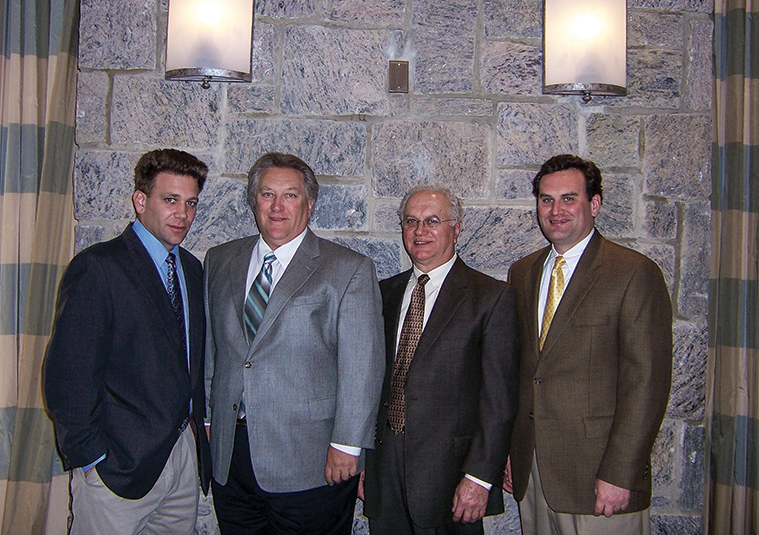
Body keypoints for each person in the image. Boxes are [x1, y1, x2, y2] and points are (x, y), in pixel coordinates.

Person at [204, 152, 385, 535]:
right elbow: (213, 350)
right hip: (231, 455)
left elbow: (362, 366)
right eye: (267, 194)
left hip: (311, 461)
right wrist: (208, 418)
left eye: (290, 195)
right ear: (254, 201)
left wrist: (348, 445)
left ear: (310, 204)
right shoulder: (220, 260)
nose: (277, 206)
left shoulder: (347, 269)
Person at [43, 148, 212, 534]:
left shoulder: (190, 269)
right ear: (140, 200)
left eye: (190, 203)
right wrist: (91, 458)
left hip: (181, 460)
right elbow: (67, 376)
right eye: (170, 200)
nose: (182, 214)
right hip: (115, 467)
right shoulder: (98, 267)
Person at [504, 154, 673, 535]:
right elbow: (522, 370)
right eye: (546, 199)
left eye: (569, 198)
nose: (556, 210)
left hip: (600, 479)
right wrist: (512, 451)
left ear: (593, 204)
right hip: (534, 474)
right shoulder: (522, 272)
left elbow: (646, 383)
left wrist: (620, 472)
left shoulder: (633, 273)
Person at [361, 184, 520, 535]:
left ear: (457, 228)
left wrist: (480, 477)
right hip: (385, 473)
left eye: (432, 220)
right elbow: (370, 383)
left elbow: (499, 400)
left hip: (451, 477)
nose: (420, 231)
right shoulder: (383, 294)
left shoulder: (491, 298)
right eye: (411, 221)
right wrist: (364, 464)